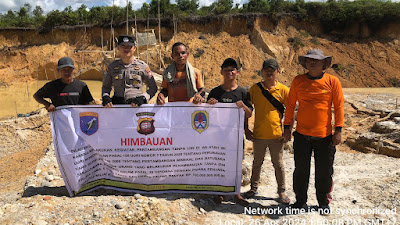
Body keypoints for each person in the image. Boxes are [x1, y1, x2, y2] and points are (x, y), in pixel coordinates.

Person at [283, 49, 344, 214]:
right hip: (302, 135)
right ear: (306, 63)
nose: (313, 62)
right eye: (310, 60)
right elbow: (290, 106)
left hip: (325, 136)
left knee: (324, 171)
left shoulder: (333, 81)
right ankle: (300, 201)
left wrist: (338, 130)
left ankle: (323, 202)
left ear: (324, 63)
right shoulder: (298, 81)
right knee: (301, 170)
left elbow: (338, 107)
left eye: (317, 60)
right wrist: (287, 128)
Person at [243, 59, 291, 205]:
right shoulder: (255, 89)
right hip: (259, 135)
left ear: (278, 72)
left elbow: (290, 112)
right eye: (267, 70)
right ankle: (253, 188)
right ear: (262, 71)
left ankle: (281, 191)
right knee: (257, 163)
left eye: (272, 70)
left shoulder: (284, 90)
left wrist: (288, 130)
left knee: (279, 164)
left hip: (277, 135)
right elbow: (247, 109)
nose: (269, 72)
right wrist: (246, 129)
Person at [207, 58, 253, 206]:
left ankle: (236, 193)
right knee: (218, 163)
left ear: (237, 72)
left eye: (232, 69)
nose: (229, 72)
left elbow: (249, 113)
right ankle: (219, 192)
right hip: (218, 136)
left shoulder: (243, 92)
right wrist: (210, 105)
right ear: (221, 72)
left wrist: (244, 108)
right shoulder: (215, 92)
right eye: (226, 70)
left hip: (236, 136)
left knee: (236, 164)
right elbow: (206, 114)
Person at [102, 35, 157, 108]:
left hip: (136, 106)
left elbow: (153, 87)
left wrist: (144, 98)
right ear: (118, 48)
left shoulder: (143, 66)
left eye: (129, 47)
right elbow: (106, 86)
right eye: (123, 46)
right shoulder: (112, 67)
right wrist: (106, 96)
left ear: (134, 48)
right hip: (117, 106)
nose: (126, 49)